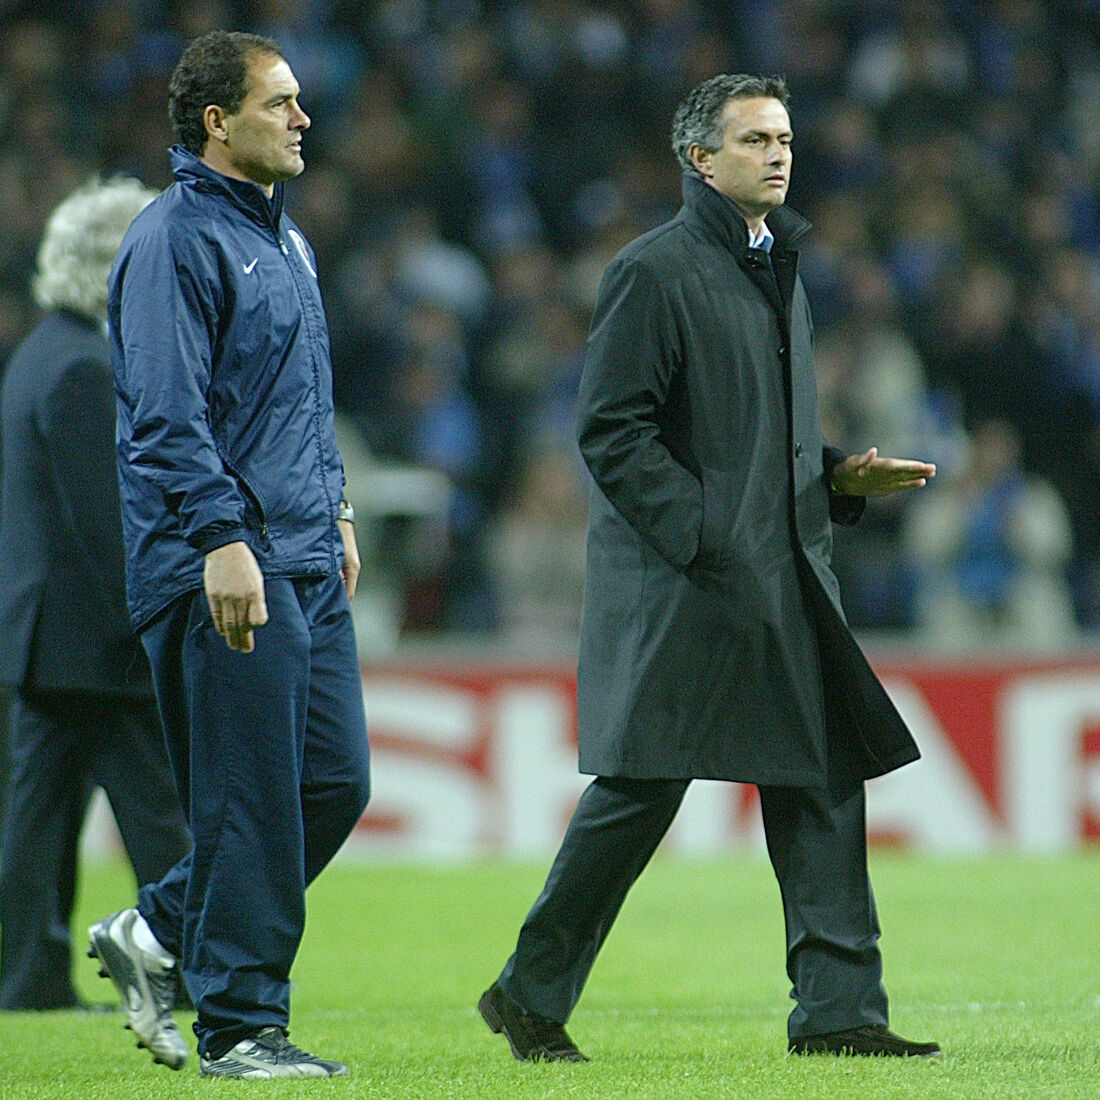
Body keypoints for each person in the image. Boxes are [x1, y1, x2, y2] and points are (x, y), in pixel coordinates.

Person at [478, 73, 941, 1062]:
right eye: (752, 140)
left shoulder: (778, 266)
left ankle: (837, 1009)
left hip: (780, 571)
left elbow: (753, 442)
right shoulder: (653, 270)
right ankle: (527, 986)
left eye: (782, 137)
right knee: (640, 788)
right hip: (688, 577)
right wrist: (706, 535)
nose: (777, 153)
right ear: (697, 159)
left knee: (820, 773)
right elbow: (611, 430)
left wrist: (833, 475)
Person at [86, 30, 371, 1079]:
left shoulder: (282, 240)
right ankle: (241, 1027)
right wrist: (220, 538)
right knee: (249, 797)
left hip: (299, 547)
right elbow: (162, 415)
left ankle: (158, 930)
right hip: (224, 559)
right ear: (218, 121)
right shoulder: (172, 240)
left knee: (333, 782)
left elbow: (299, 400)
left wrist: (334, 502)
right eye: (282, 102)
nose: (304, 118)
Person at [0, 177, 192, 1012]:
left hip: (50, 637)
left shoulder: (46, 349)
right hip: (96, 640)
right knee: (158, 811)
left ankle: (28, 975)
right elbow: (106, 522)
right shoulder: (84, 365)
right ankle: (189, 971)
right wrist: (150, 617)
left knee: (37, 819)